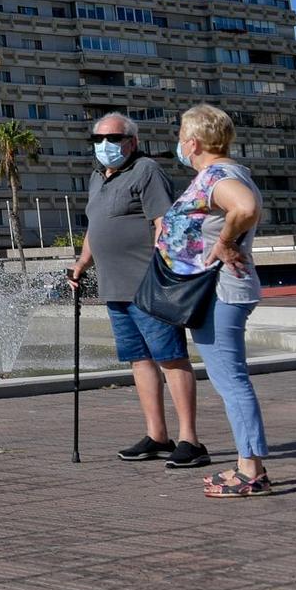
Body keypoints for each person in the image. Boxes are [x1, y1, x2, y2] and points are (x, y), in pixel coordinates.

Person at [67, 113, 206, 468]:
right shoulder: (98, 178)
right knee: (139, 361)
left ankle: (190, 439)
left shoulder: (146, 171)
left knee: (171, 358)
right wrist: (82, 264)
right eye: (97, 140)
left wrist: (163, 272)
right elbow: (96, 228)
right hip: (115, 290)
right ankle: (157, 436)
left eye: (112, 139)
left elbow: (164, 223)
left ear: (132, 141)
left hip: (148, 286)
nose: (104, 146)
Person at [158, 103, 273, 498]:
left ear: (192, 142)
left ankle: (251, 473)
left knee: (231, 381)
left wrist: (224, 242)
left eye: (179, 137)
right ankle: (248, 466)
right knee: (230, 380)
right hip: (217, 291)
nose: (178, 144)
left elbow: (245, 207)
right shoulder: (219, 174)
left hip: (221, 290)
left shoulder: (218, 175)